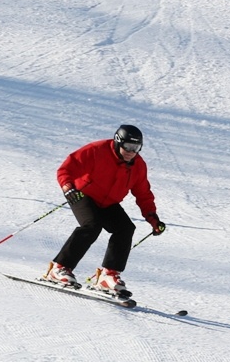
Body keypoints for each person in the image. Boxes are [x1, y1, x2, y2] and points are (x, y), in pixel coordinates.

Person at [45, 124, 166, 294]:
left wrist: (153, 219)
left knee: (126, 228)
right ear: (118, 142)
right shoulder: (97, 150)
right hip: (82, 194)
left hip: (108, 202)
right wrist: (68, 188)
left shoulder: (138, 165)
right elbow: (66, 169)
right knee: (92, 225)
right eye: (128, 147)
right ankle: (59, 269)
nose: (131, 151)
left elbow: (143, 194)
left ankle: (108, 275)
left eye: (136, 148)